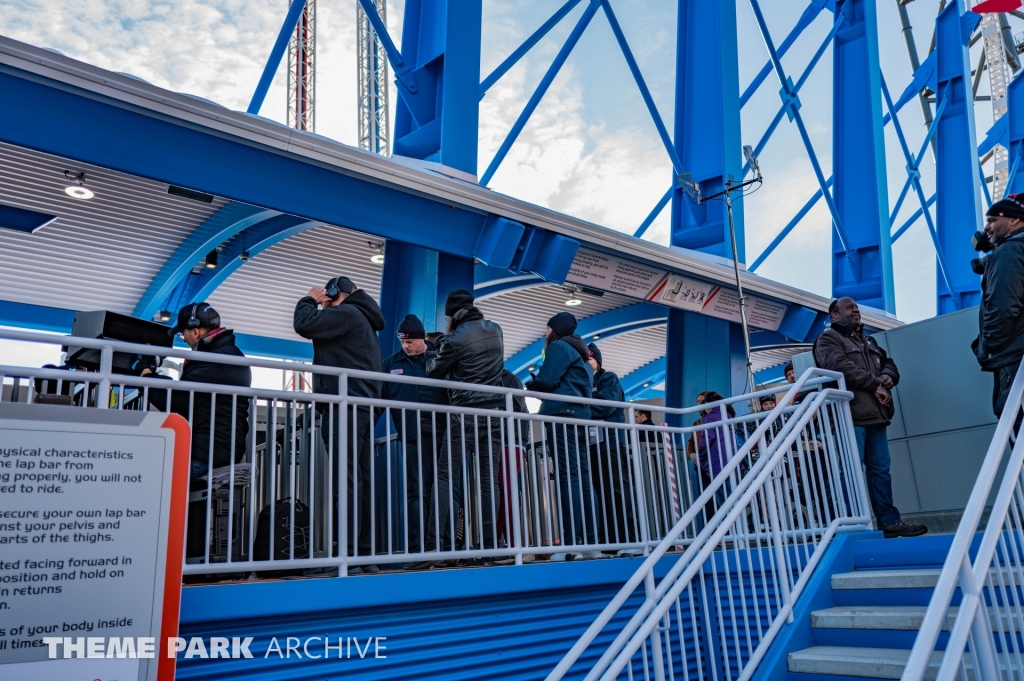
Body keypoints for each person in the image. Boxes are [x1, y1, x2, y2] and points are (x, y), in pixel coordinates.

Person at [406, 289, 506, 570]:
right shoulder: (496, 329)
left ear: (452, 315)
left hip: (464, 415)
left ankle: (433, 545)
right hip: (495, 413)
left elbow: (434, 372)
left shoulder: (454, 338)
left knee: (444, 476)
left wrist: (431, 354)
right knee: (488, 481)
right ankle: (489, 547)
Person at [143, 303, 252, 560]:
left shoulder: (216, 359)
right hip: (212, 445)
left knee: (145, 477)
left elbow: (177, 400)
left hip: (210, 451)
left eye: (183, 334)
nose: (184, 340)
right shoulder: (220, 353)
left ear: (196, 332)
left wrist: (146, 374)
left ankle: (155, 557)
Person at [813, 297, 926, 539]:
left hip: (876, 417)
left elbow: (889, 364)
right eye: (849, 307)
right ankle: (848, 526)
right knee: (848, 473)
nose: (856, 310)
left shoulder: (868, 340)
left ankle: (889, 522)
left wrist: (887, 377)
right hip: (849, 417)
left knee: (880, 472)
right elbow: (839, 366)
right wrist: (875, 384)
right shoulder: (828, 339)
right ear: (834, 315)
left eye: (856, 307)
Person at [294, 276, 386, 573]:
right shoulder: (363, 319)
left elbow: (304, 324)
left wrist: (310, 299)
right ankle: (362, 555)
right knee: (359, 480)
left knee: (344, 480)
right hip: (360, 405)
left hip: (345, 405)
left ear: (335, 294)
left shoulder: (346, 313)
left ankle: (345, 557)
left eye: (327, 293)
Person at [526, 312, 603, 561]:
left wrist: (532, 385)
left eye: (547, 329)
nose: (544, 334)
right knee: (583, 478)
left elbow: (548, 380)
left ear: (555, 330)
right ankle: (590, 543)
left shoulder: (560, 346)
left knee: (567, 477)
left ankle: (569, 544)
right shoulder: (581, 354)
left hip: (561, 415)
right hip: (580, 417)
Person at [381, 314, 448, 555]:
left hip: (442, 435)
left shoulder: (440, 358)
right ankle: (418, 548)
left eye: (410, 342)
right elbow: (379, 399)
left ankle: (447, 546)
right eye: (402, 342)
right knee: (416, 492)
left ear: (422, 339)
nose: (406, 346)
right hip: (411, 435)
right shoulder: (391, 363)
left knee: (443, 490)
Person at [973, 194, 1024, 435]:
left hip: (1013, 357)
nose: (986, 227)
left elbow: (1002, 307)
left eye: (992, 220)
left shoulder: (1010, 251)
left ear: (1014, 221)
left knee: (1013, 421)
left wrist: (990, 347)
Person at [587, 343, 636, 550]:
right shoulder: (581, 382)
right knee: (599, 494)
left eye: (589, 359)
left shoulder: (609, 378)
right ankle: (608, 541)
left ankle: (628, 540)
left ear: (598, 361)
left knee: (618, 491)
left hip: (612, 444)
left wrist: (583, 406)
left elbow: (605, 405)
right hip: (592, 447)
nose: (586, 364)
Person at [692, 391, 736, 521]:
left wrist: (700, 458)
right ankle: (744, 529)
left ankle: (732, 531)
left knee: (723, 500)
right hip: (732, 459)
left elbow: (705, 441)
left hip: (716, 462)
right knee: (733, 495)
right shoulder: (728, 415)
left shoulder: (709, 418)